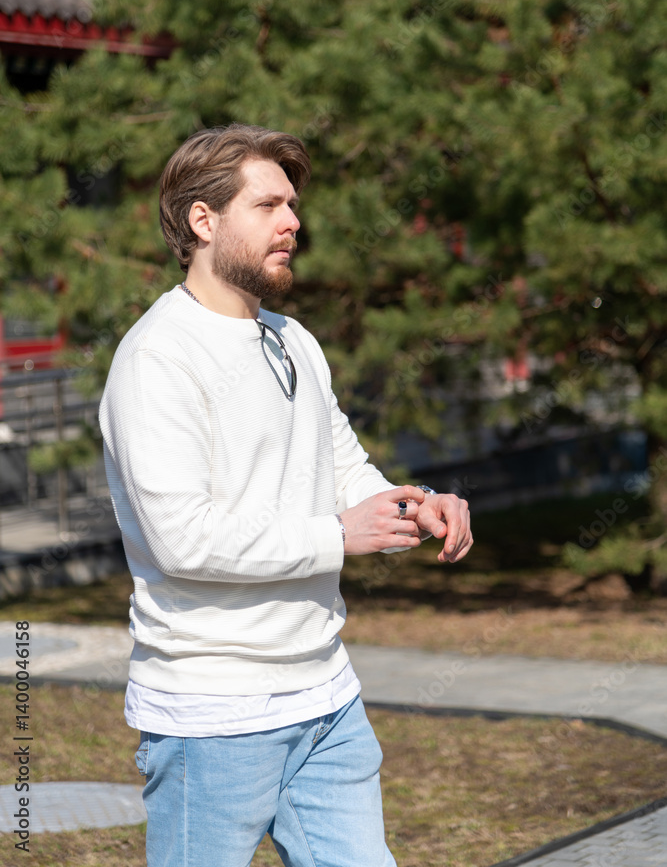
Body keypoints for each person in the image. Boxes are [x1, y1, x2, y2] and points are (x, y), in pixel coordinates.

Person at [99, 122, 473, 867]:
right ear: (203, 221)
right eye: (267, 205)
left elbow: (341, 468)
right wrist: (340, 535)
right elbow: (183, 541)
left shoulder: (292, 339)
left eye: (292, 205)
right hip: (213, 713)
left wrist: (414, 505)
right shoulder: (156, 359)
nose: (292, 222)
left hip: (326, 695)